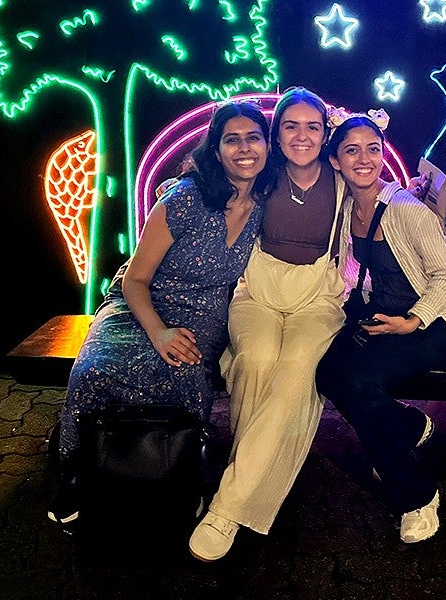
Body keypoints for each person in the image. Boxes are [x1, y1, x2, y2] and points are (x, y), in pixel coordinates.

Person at [47, 100, 277, 524]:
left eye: (253, 138)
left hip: (204, 315)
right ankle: (78, 473)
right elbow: (136, 279)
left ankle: (177, 473)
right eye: (232, 140)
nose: (244, 149)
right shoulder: (187, 197)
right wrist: (158, 332)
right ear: (216, 149)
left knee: (187, 377)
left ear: (267, 145)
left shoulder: (269, 200)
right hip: (140, 306)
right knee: (94, 371)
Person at [188, 87, 348, 561]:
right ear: (276, 134)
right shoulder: (260, 174)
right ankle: (255, 473)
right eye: (291, 126)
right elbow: (204, 184)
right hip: (256, 287)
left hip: (316, 294)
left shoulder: (341, 178)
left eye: (313, 126)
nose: (302, 135)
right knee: (255, 360)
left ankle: (228, 506)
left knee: (297, 369)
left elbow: (392, 203)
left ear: (326, 133)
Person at [314, 109, 446, 544]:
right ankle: (406, 429)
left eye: (373, 149)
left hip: (436, 321)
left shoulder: (407, 209)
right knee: (326, 373)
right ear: (335, 160)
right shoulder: (346, 207)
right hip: (387, 316)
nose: (364, 159)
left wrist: (414, 320)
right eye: (351, 150)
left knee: (358, 381)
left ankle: (416, 493)